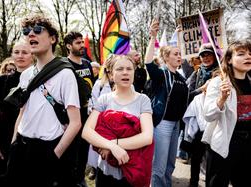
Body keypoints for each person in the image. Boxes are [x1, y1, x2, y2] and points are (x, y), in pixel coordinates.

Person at [5, 14, 81, 187]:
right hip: (21, 147)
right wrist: (13, 143)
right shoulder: (25, 75)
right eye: (26, 31)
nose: (31, 34)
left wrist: (55, 155)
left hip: (47, 149)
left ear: (53, 38)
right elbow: (22, 112)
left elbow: (75, 123)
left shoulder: (65, 74)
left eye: (38, 30)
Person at [82, 54, 153, 187]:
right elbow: (87, 131)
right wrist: (112, 147)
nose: (125, 72)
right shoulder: (104, 99)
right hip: (106, 171)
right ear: (111, 74)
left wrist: (115, 143)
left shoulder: (143, 100)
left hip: (132, 171)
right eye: (120, 69)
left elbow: (147, 137)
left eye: (129, 69)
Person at [145, 19, 189, 187]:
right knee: (159, 166)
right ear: (165, 57)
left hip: (176, 125)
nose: (179, 56)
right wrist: (152, 37)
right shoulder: (161, 74)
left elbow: (185, 97)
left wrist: (202, 89)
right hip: (162, 123)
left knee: (170, 165)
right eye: (175, 54)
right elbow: (148, 63)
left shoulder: (180, 77)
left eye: (180, 54)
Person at [202, 40, 251, 187]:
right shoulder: (218, 83)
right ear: (229, 60)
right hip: (225, 142)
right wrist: (222, 98)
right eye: (241, 54)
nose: (248, 57)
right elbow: (208, 115)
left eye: (250, 54)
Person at [0, 41, 33, 186]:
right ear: (12, 54)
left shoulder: (39, 79)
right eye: (16, 52)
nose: (20, 56)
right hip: (4, 139)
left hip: (30, 139)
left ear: (33, 55)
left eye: (25, 52)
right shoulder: (3, 80)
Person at [186, 43, 219, 187]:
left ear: (214, 56)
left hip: (216, 121)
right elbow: (188, 95)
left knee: (213, 157)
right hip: (199, 122)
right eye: (203, 55)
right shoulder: (197, 73)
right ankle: (193, 183)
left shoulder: (222, 72)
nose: (205, 58)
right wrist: (202, 90)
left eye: (208, 54)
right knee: (196, 155)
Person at [64, 31, 94, 186]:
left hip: (87, 113)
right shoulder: (65, 66)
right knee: (71, 151)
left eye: (82, 42)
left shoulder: (87, 64)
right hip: (70, 115)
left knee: (84, 149)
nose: (82, 45)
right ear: (69, 46)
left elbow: (92, 87)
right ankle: (71, 180)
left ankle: (80, 178)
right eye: (78, 43)